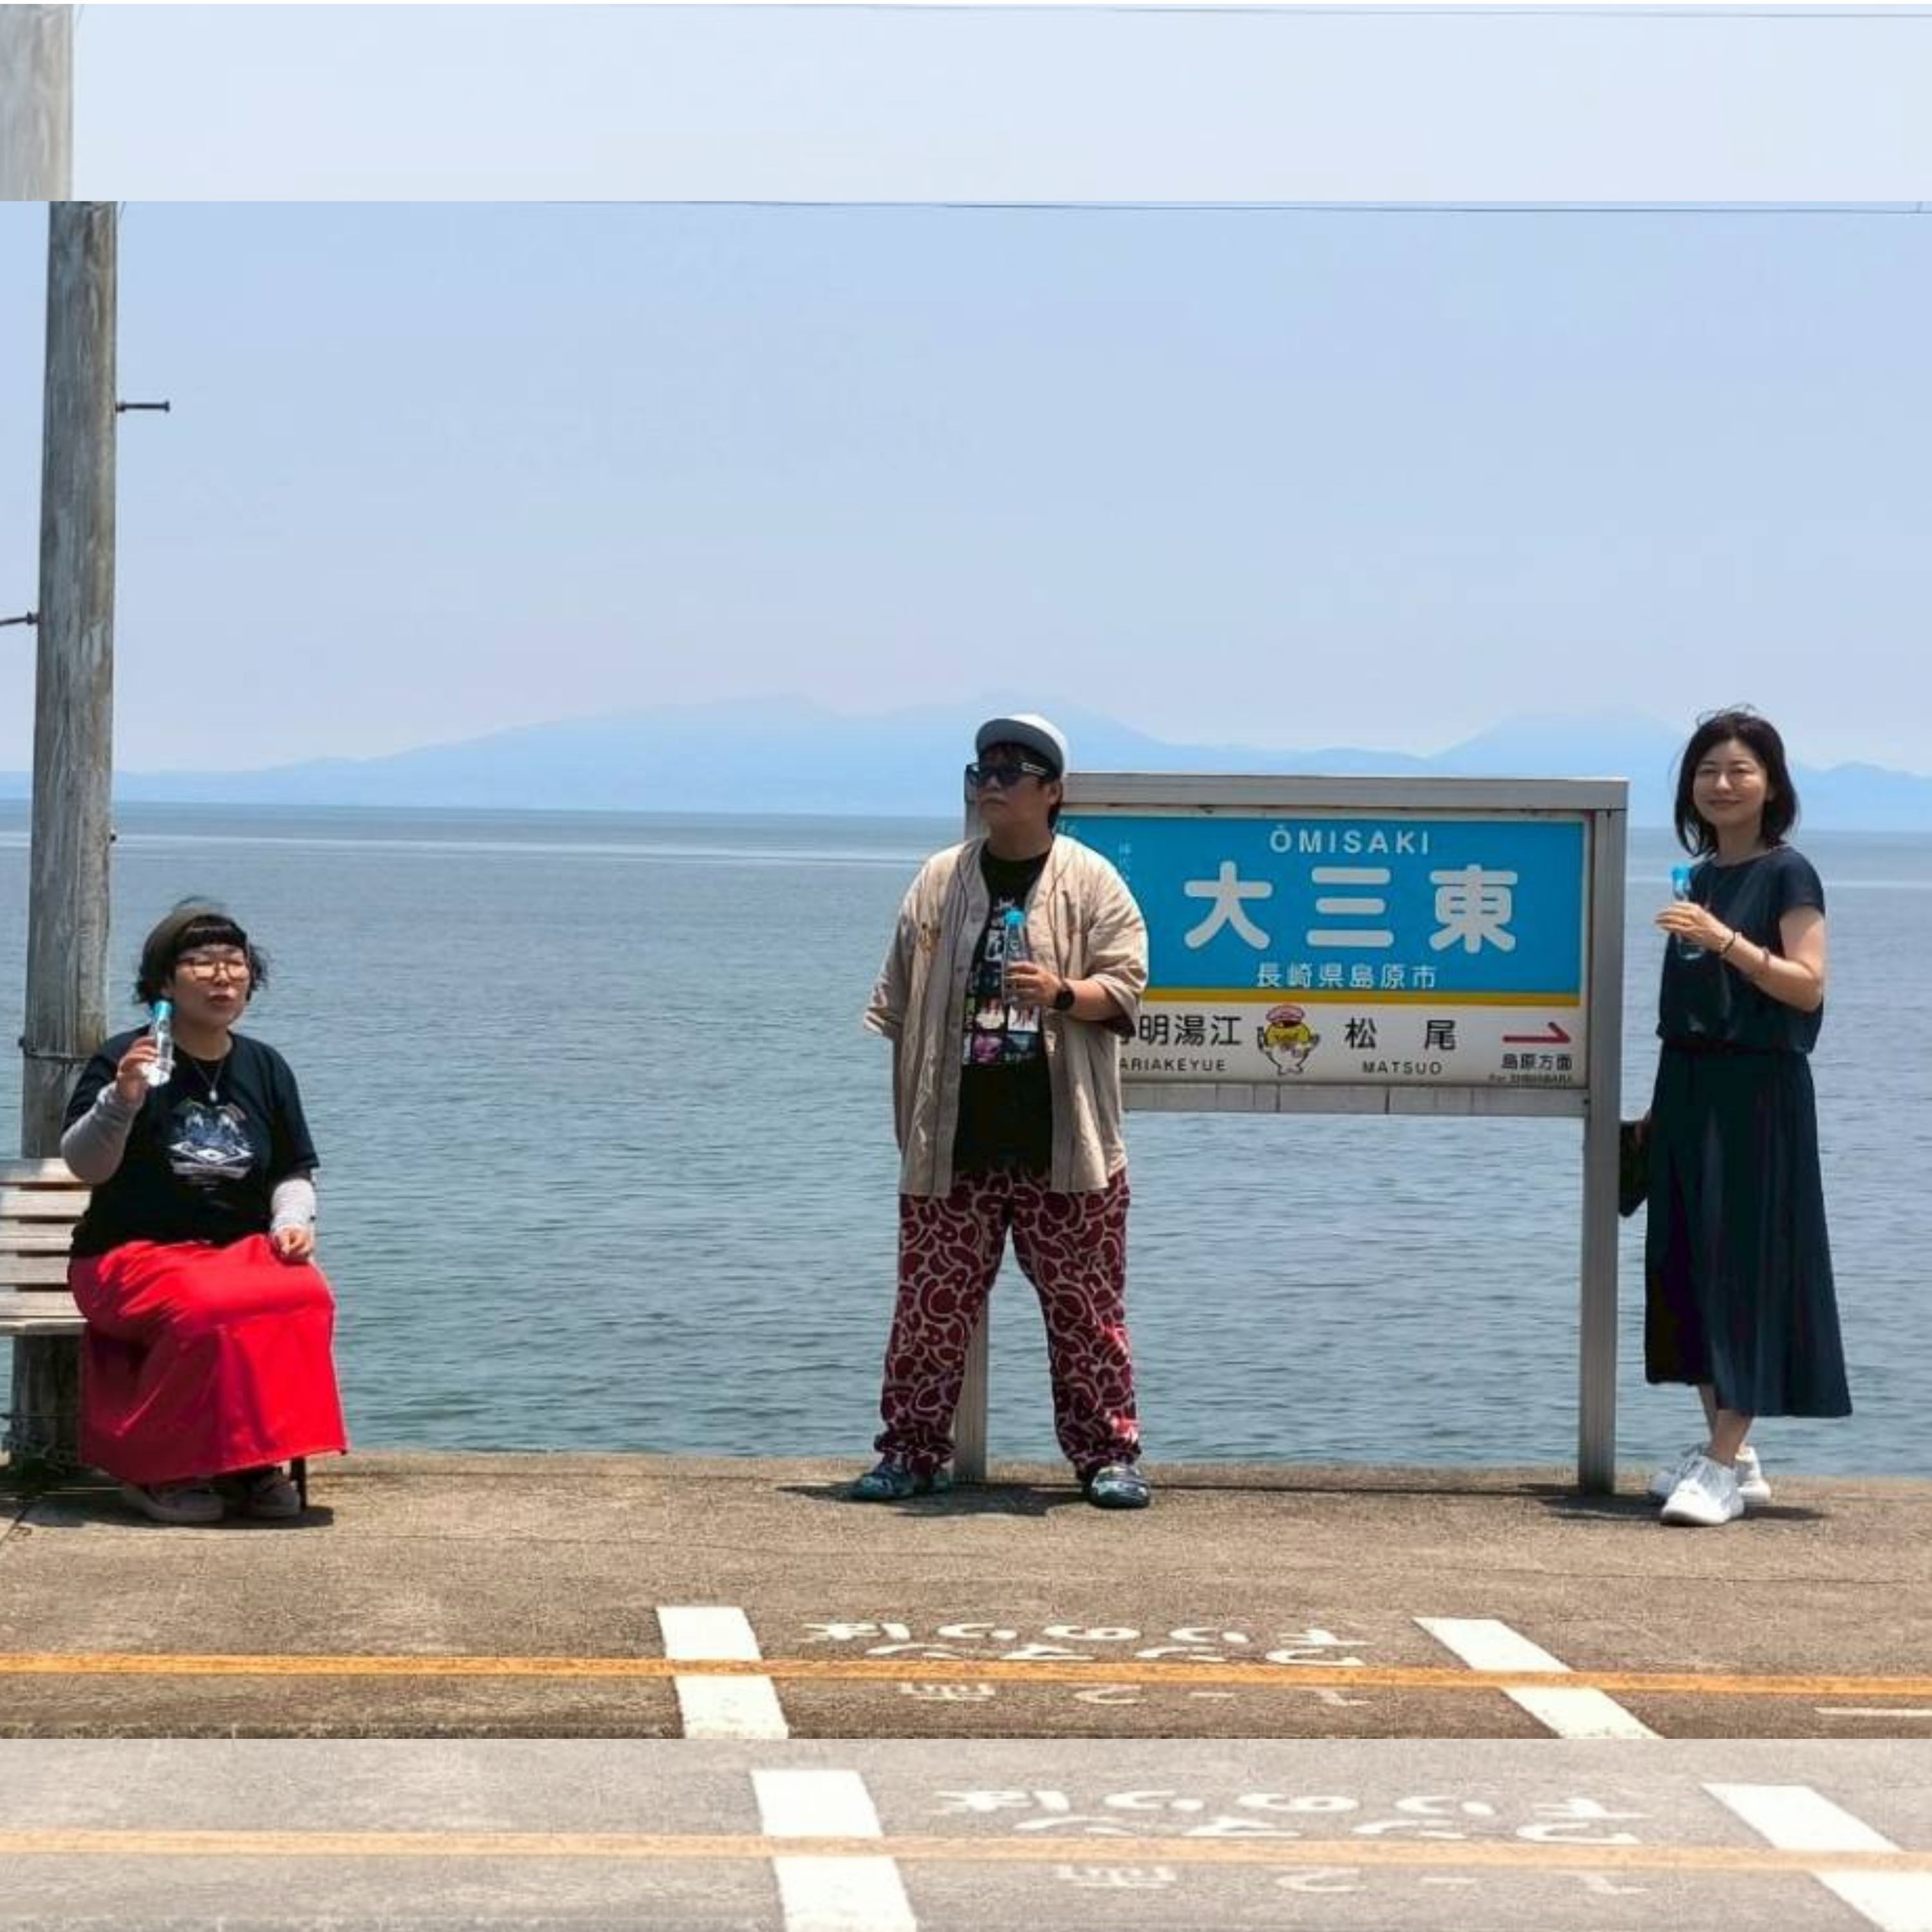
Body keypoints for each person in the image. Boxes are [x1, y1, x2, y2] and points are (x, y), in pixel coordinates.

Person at [851, 712, 1153, 1509]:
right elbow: (896, 1007)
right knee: (928, 1312)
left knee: (1086, 1313)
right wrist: (910, 1126)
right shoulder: (938, 882)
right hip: (954, 1146)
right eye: (981, 770)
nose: (990, 783)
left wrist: (1061, 992)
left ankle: (1108, 1456)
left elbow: (1126, 987)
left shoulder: (1092, 882)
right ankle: (910, 1452)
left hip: (1067, 1146)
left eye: (1011, 771)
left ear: (1053, 792)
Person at [59, 903, 348, 1524]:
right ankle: (158, 1468)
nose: (222, 976)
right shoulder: (126, 1058)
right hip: (127, 1254)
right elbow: (86, 1166)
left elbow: (293, 1170)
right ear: (164, 982)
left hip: (234, 1252)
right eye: (201, 963)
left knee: (305, 1296)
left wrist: (291, 1223)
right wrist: (122, 1099)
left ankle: (253, 1461)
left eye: (235, 963)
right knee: (206, 1306)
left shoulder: (265, 1066)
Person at [1643, 708, 1849, 1527]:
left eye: (1740, 770)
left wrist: (1723, 938)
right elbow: (1692, 1002)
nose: (1722, 784)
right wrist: (1657, 1111)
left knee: (1747, 1270)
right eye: (1707, 771)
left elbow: (1808, 984)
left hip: (1760, 1091)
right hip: (1688, 1084)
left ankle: (1721, 1464)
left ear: (1771, 784)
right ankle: (1734, 1457)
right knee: (1691, 1267)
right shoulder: (1696, 879)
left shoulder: (1789, 873)